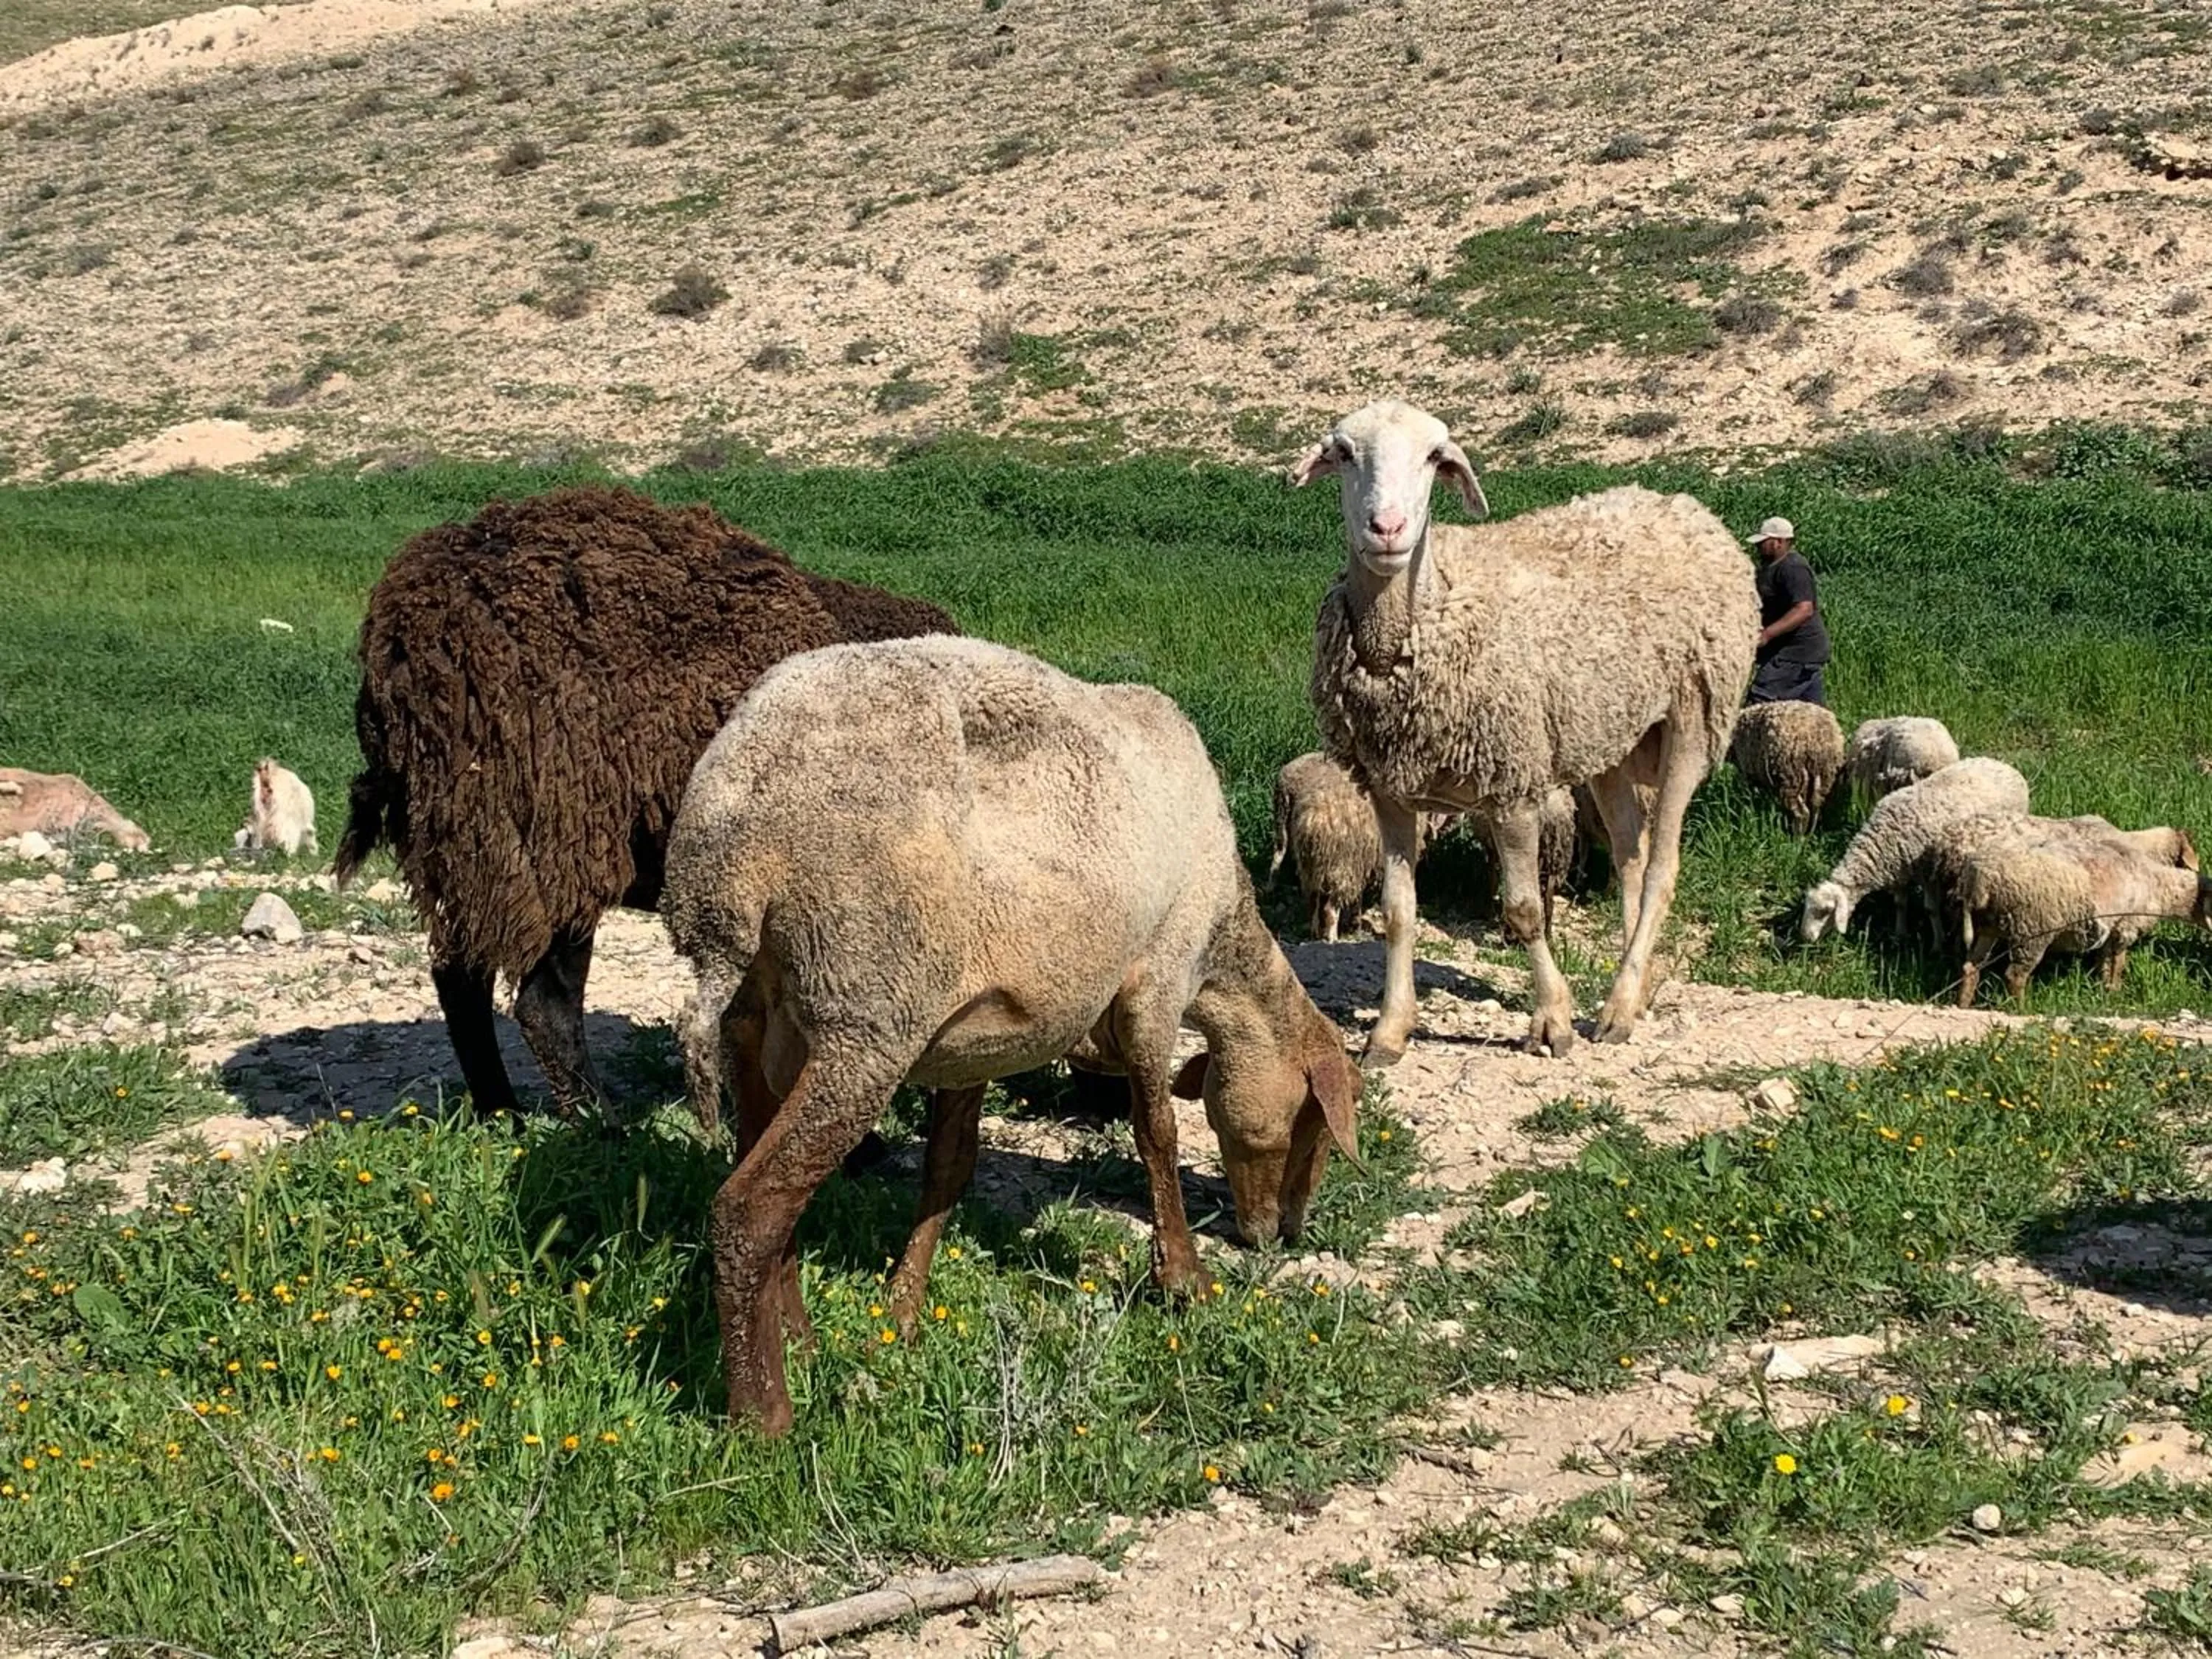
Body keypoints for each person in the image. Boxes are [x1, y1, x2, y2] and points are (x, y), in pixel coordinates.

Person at [1746, 515, 1831, 706]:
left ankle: (1748, 736)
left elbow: (1804, 609)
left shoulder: (1793, 567)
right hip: (1800, 652)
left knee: (1760, 701)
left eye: (1763, 542)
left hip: (1797, 651)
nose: (1758, 547)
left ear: (1780, 542)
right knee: (1811, 711)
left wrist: (1767, 634)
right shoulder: (1770, 568)